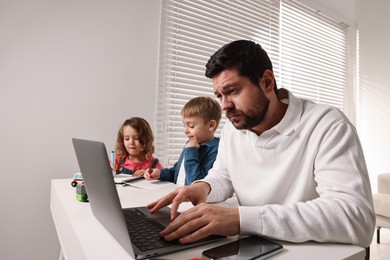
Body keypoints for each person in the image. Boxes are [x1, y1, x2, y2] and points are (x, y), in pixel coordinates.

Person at [147, 40, 375, 248]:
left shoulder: (327, 125)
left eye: (232, 91)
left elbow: (356, 217)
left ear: (267, 81)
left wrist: (240, 218)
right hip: (252, 246)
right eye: (219, 95)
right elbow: (224, 176)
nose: (224, 106)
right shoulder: (234, 129)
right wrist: (202, 188)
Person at [144, 96, 222, 186]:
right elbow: (177, 171)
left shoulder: (217, 150)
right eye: (184, 125)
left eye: (191, 126)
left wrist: (191, 151)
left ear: (211, 125)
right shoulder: (190, 145)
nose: (185, 130)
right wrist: (160, 173)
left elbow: (196, 184)